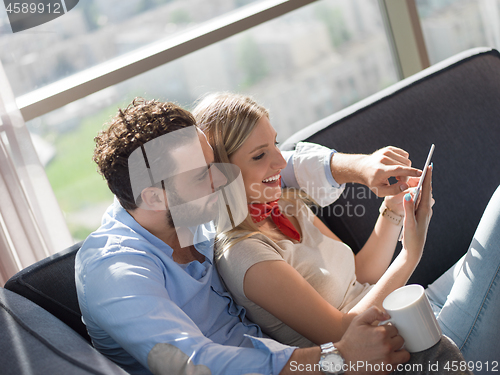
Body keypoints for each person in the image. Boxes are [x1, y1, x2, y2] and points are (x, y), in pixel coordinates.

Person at [76, 97, 469, 375]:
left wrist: (362, 168)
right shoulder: (114, 273)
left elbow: (278, 166)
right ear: (153, 196)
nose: (222, 179)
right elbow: (194, 363)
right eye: (203, 175)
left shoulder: (184, 206)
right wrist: (339, 360)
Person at [194, 92, 500, 374]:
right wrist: (409, 255)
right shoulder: (243, 254)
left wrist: (394, 209)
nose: (281, 161)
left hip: (410, 314)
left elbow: (362, 272)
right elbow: (344, 334)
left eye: (275, 143)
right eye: (260, 156)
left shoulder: (283, 203)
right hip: (404, 352)